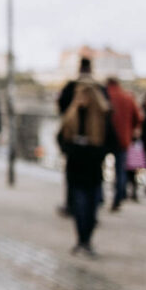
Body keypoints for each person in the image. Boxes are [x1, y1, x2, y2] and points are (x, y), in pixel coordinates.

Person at [59, 81, 116, 257]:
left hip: (93, 169)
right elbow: (61, 138)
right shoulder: (72, 115)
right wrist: (71, 150)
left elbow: (111, 142)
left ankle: (87, 240)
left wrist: (96, 153)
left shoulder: (101, 118)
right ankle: (81, 240)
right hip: (75, 168)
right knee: (79, 206)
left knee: (91, 207)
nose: (81, 99)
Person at [57, 57, 101, 215]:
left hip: (81, 147)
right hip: (86, 148)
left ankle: (76, 207)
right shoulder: (98, 88)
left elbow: (61, 106)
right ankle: (88, 210)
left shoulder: (72, 86)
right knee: (90, 182)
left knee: (76, 181)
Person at [106, 77, 142, 211]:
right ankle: (118, 198)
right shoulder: (127, 97)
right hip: (124, 139)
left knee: (99, 167)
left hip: (105, 139)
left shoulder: (105, 96)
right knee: (120, 170)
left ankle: (99, 198)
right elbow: (138, 118)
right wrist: (131, 129)